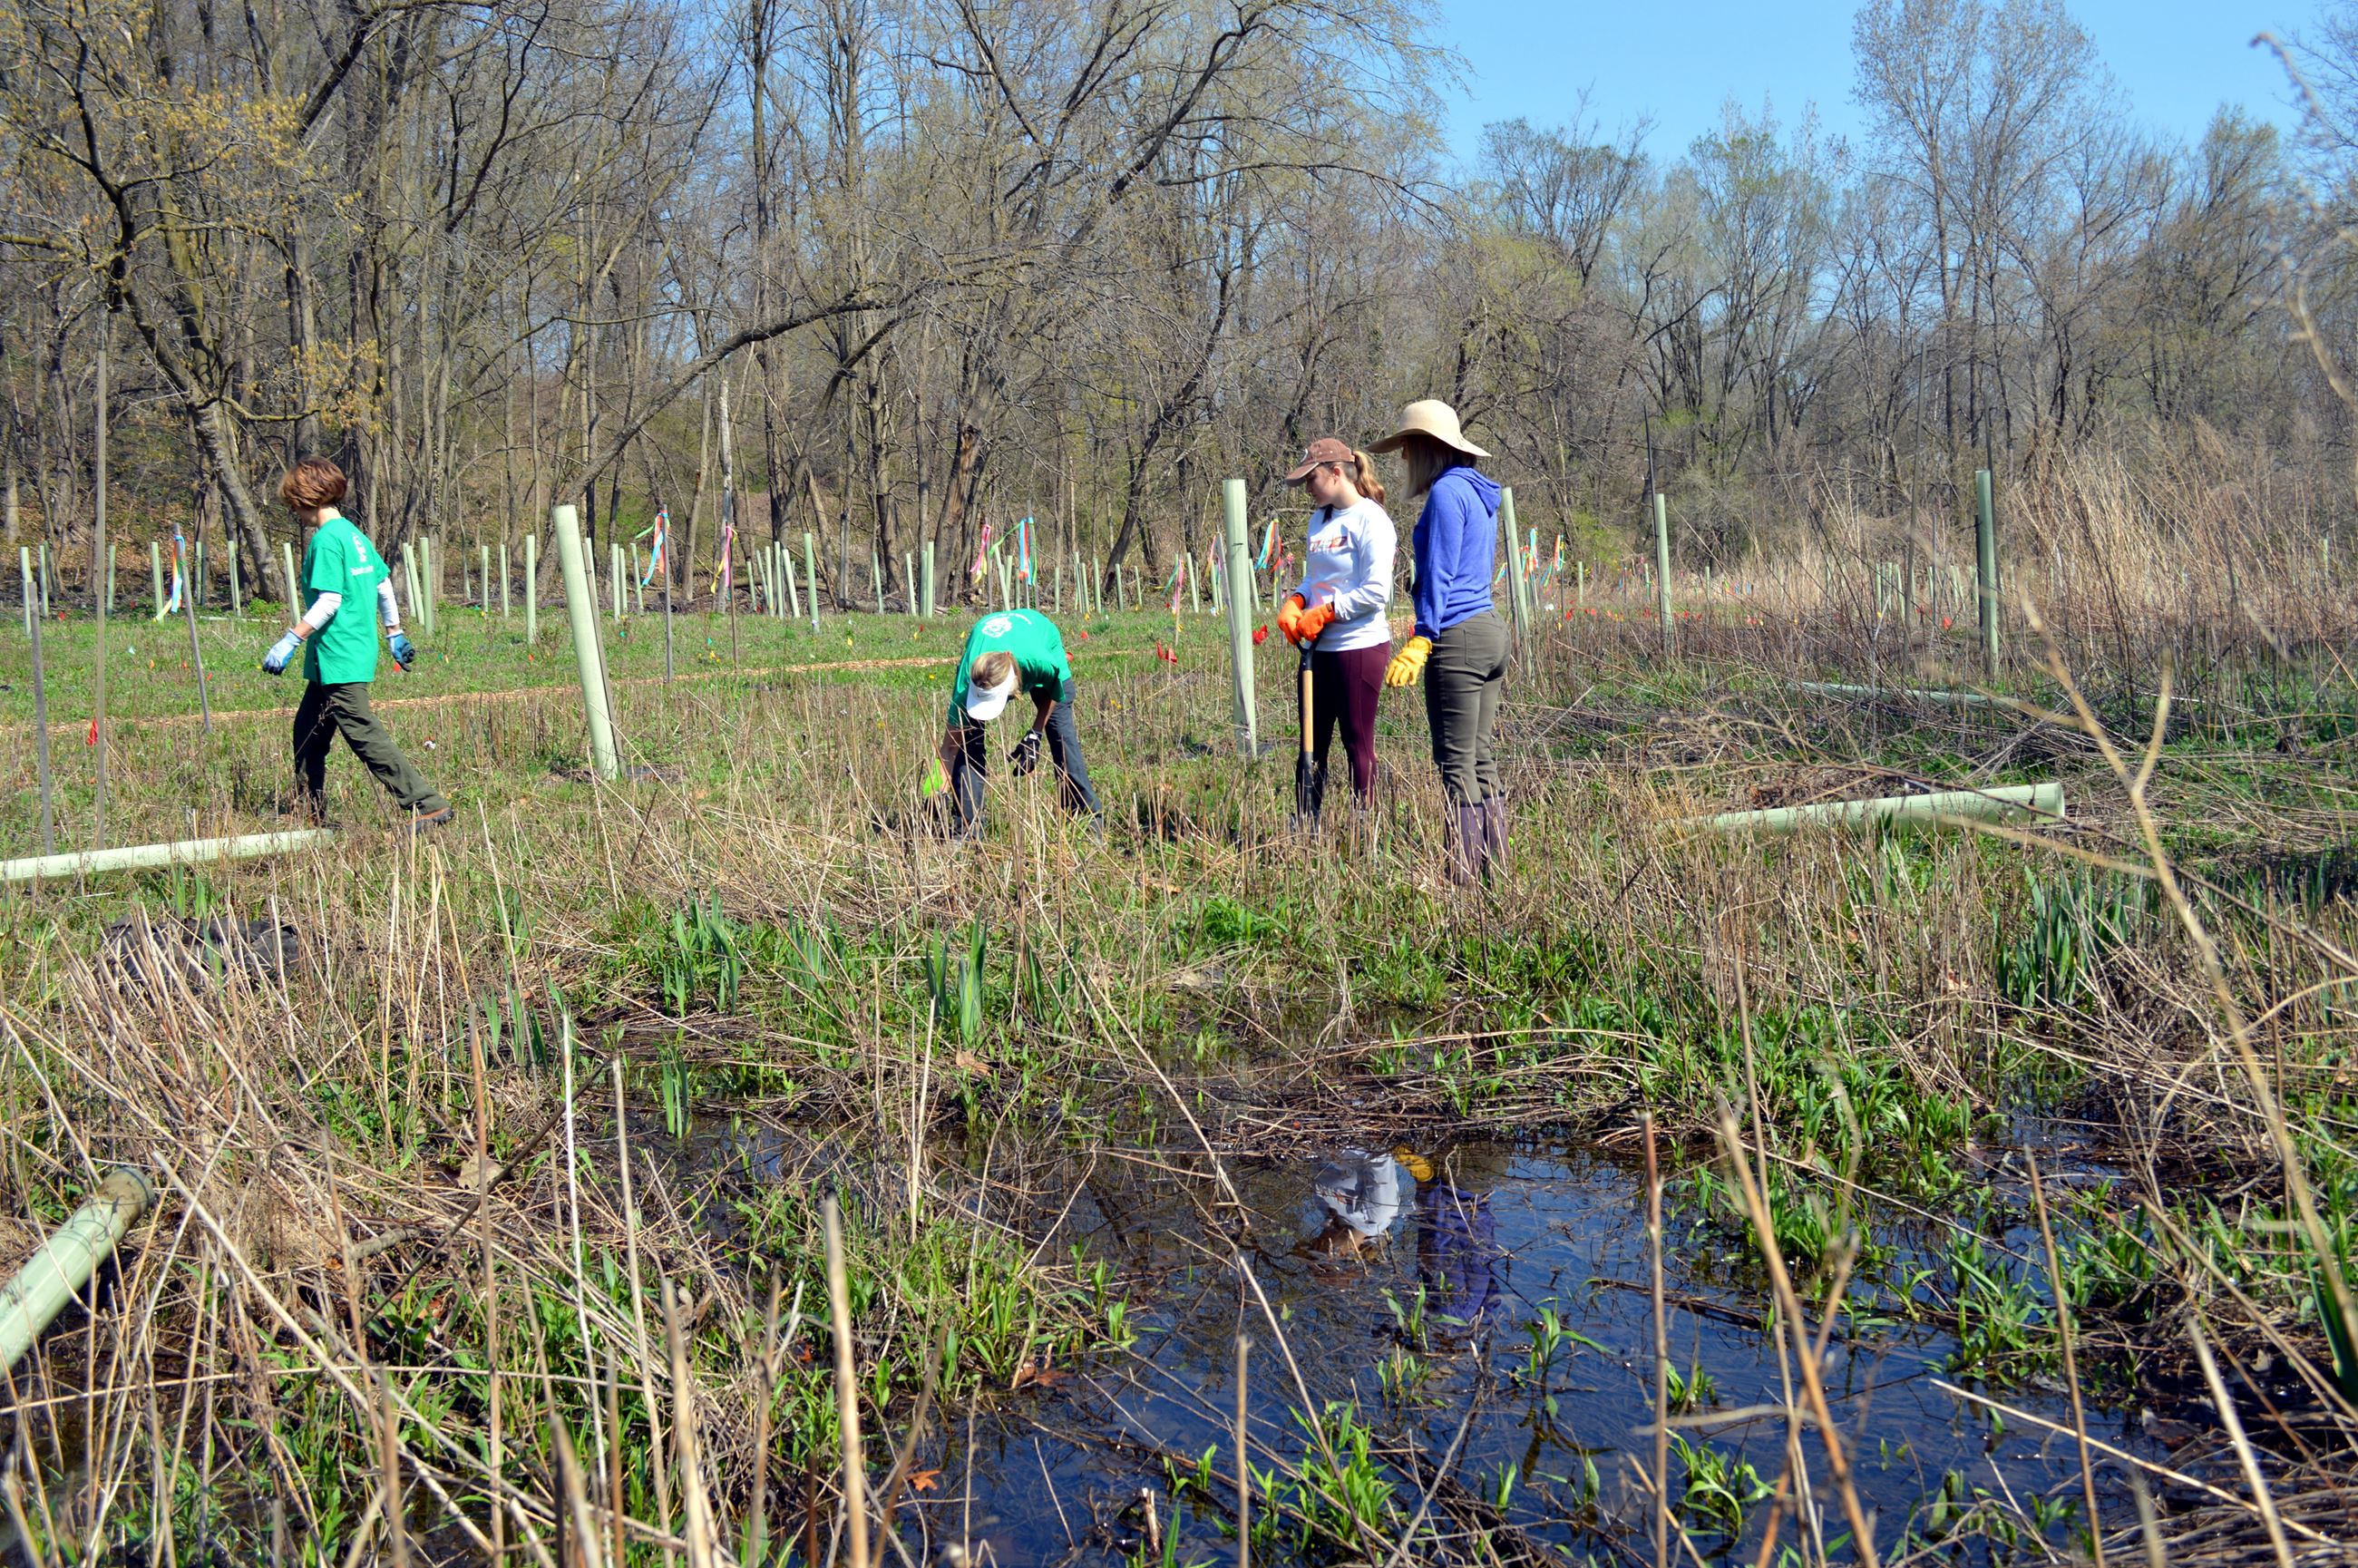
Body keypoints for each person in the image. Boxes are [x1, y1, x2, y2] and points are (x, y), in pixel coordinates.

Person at [260, 457, 452, 831]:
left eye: (294, 503)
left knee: (364, 734)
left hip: (339, 656)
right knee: (308, 735)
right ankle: (308, 814)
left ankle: (427, 804)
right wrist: (394, 632)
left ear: (306, 497)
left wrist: (291, 639)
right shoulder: (353, 534)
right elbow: (382, 585)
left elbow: (329, 600)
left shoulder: (326, 541)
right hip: (347, 654)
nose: (294, 512)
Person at [1370, 400, 1506, 883]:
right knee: (1480, 756)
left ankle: (1464, 884)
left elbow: (1441, 573)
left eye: (1407, 448)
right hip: (1489, 629)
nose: (1404, 459)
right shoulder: (1478, 491)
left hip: (1459, 636)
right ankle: (1497, 875)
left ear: (1428, 448)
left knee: (1455, 762)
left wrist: (1423, 636)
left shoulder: (1448, 493)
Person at [1276, 438, 1396, 825]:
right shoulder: (1319, 520)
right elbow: (1315, 577)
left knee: (1356, 742)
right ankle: (1304, 825)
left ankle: (1365, 830)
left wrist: (1327, 612)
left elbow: (1377, 592)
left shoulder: (1371, 519)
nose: (1308, 488)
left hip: (1359, 646)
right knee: (1312, 742)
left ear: (1336, 472)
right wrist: (1297, 600)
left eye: (1311, 479)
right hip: (1317, 650)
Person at [937, 608, 1102, 841]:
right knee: (968, 742)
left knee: (1061, 735)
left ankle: (1087, 818)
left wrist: (1035, 734)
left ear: (1015, 687)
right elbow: (948, 749)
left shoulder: (1040, 661)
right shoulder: (966, 684)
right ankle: (967, 829)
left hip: (1037, 630)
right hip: (986, 631)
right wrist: (934, 790)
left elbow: (1056, 692)